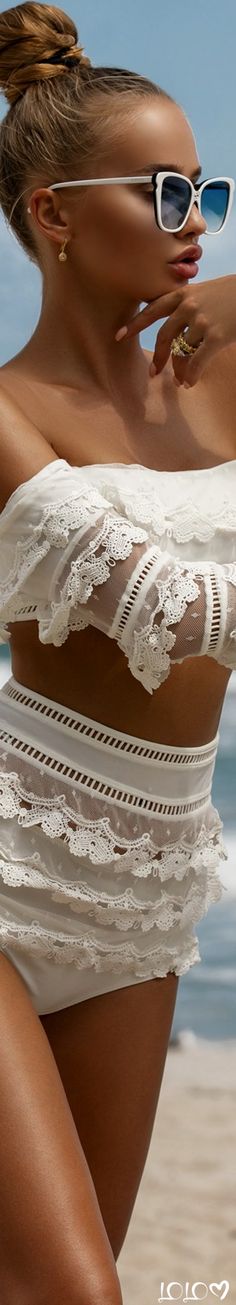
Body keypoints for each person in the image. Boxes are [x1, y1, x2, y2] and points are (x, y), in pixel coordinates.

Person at [0, 4, 235, 1302]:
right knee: (69, 1290)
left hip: (148, 894)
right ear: (53, 213)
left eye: (205, 184)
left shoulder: (223, 369)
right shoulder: (0, 410)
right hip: (7, 863)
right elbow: (160, 610)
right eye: (161, 189)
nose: (194, 212)